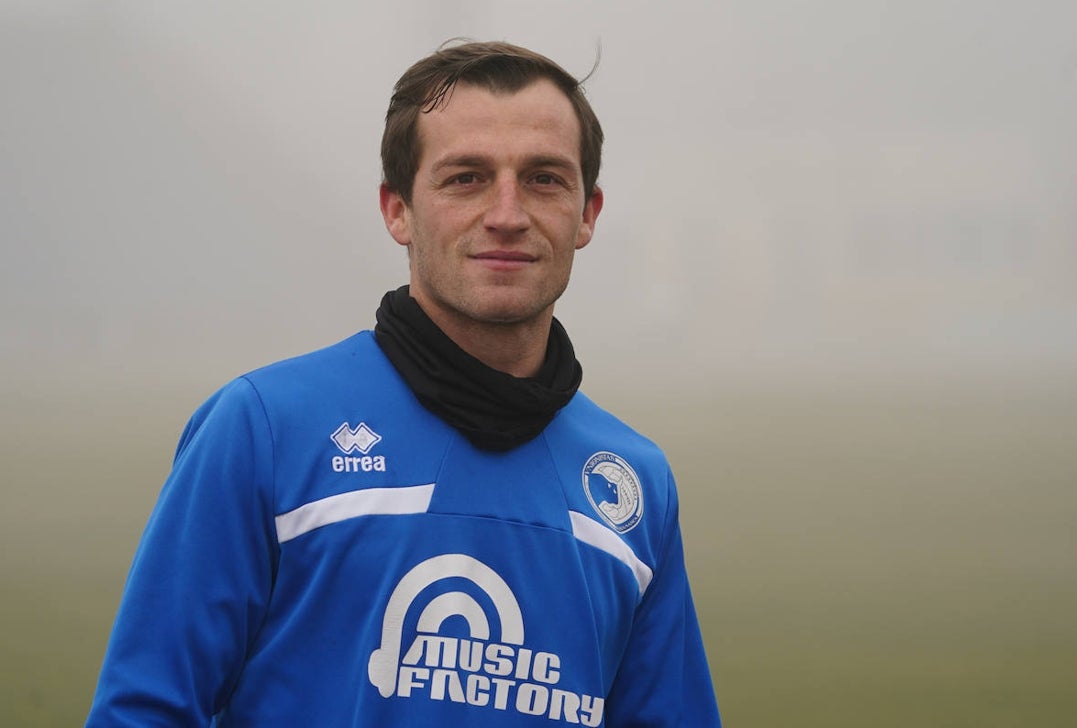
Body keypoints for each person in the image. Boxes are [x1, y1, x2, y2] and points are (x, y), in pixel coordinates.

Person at [85, 40, 722, 727]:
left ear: (588, 212)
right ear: (397, 210)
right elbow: (145, 711)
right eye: (466, 178)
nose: (507, 214)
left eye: (543, 179)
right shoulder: (265, 429)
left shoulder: (633, 482)